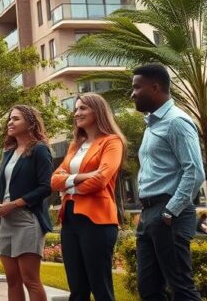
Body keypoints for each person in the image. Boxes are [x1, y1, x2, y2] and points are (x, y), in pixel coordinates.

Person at [131, 63, 204, 301]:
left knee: (181, 288)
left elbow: (194, 171)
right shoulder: (151, 125)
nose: (132, 93)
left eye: (136, 88)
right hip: (149, 212)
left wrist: (171, 211)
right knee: (149, 289)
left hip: (169, 213)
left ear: (154, 87)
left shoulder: (177, 122)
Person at [51, 93, 126, 301]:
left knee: (101, 288)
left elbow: (101, 179)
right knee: (77, 290)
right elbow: (54, 180)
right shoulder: (75, 146)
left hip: (97, 221)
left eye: (83, 108)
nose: (77, 113)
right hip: (70, 221)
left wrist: (69, 187)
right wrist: (80, 178)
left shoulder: (112, 142)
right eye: (76, 109)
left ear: (98, 111)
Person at [0, 105, 53, 301]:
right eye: (9, 119)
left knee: (30, 280)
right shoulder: (8, 152)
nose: (10, 122)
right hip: (6, 222)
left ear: (30, 122)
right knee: (12, 280)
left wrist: (15, 203)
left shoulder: (39, 150)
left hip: (28, 220)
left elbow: (46, 187)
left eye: (16, 119)